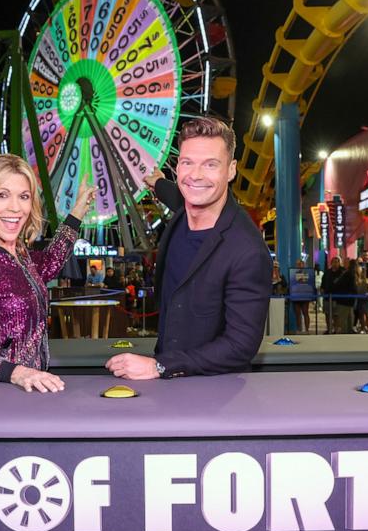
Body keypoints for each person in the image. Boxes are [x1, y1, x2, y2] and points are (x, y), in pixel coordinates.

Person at [107, 117, 271, 379]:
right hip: (167, 386)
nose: (195, 175)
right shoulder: (185, 206)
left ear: (231, 170)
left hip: (214, 393)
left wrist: (159, 366)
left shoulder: (247, 250)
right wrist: (158, 182)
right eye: (187, 163)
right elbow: (176, 192)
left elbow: (241, 345)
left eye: (210, 165)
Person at [0, 154, 95, 393]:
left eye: (24, 197)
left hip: (31, 391)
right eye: (2, 195)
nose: (15, 207)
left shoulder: (18, 253)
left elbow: (49, 264)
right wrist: (16, 373)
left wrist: (77, 212)